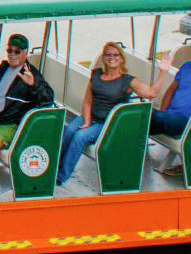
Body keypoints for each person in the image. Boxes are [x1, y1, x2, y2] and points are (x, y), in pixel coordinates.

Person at [57, 42, 154, 183]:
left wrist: (163, 71)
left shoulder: (128, 80)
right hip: (91, 116)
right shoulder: (96, 74)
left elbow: (151, 93)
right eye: (108, 54)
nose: (111, 57)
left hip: (107, 124)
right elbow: (87, 100)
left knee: (79, 136)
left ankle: (61, 176)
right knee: (69, 130)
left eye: (115, 55)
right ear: (103, 58)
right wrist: (87, 121)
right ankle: (54, 167)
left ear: (121, 58)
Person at [0, 33, 56, 165]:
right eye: (9, 50)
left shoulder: (31, 74)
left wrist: (33, 85)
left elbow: (48, 100)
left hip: (9, 123)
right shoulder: (2, 69)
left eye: (17, 51)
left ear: (25, 53)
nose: (12, 54)